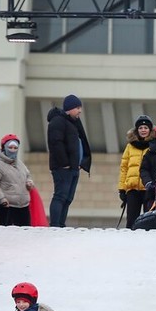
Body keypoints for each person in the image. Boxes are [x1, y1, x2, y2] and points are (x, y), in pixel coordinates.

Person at [47, 94, 92, 228]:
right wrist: (65, 163)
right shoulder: (58, 121)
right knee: (60, 196)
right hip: (63, 168)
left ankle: (61, 224)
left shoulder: (73, 122)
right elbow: (55, 144)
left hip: (73, 167)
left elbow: (80, 142)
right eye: (77, 108)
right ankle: (55, 225)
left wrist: (79, 163)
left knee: (68, 198)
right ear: (70, 108)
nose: (80, 111)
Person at [0, 134, 34, 226]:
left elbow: (27, 175)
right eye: (10, 147)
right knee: (9, 235)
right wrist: (2, 199)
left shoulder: (20, 163)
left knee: (26, 233)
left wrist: (29, 182)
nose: (13, 150)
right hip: (7, 206)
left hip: (23, 205)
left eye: (15, 148)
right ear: (3, 148)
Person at [119, 114, 155, 229]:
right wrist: (122, 188)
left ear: (150, 129)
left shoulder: (154, 146)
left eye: (145, 128)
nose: (143, 130)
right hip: (132, 188)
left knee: (147, 222)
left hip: (148, 188)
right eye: (140, 128)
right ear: (136, 130)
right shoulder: (130, 146)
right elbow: (124, 168)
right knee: (131, 221)